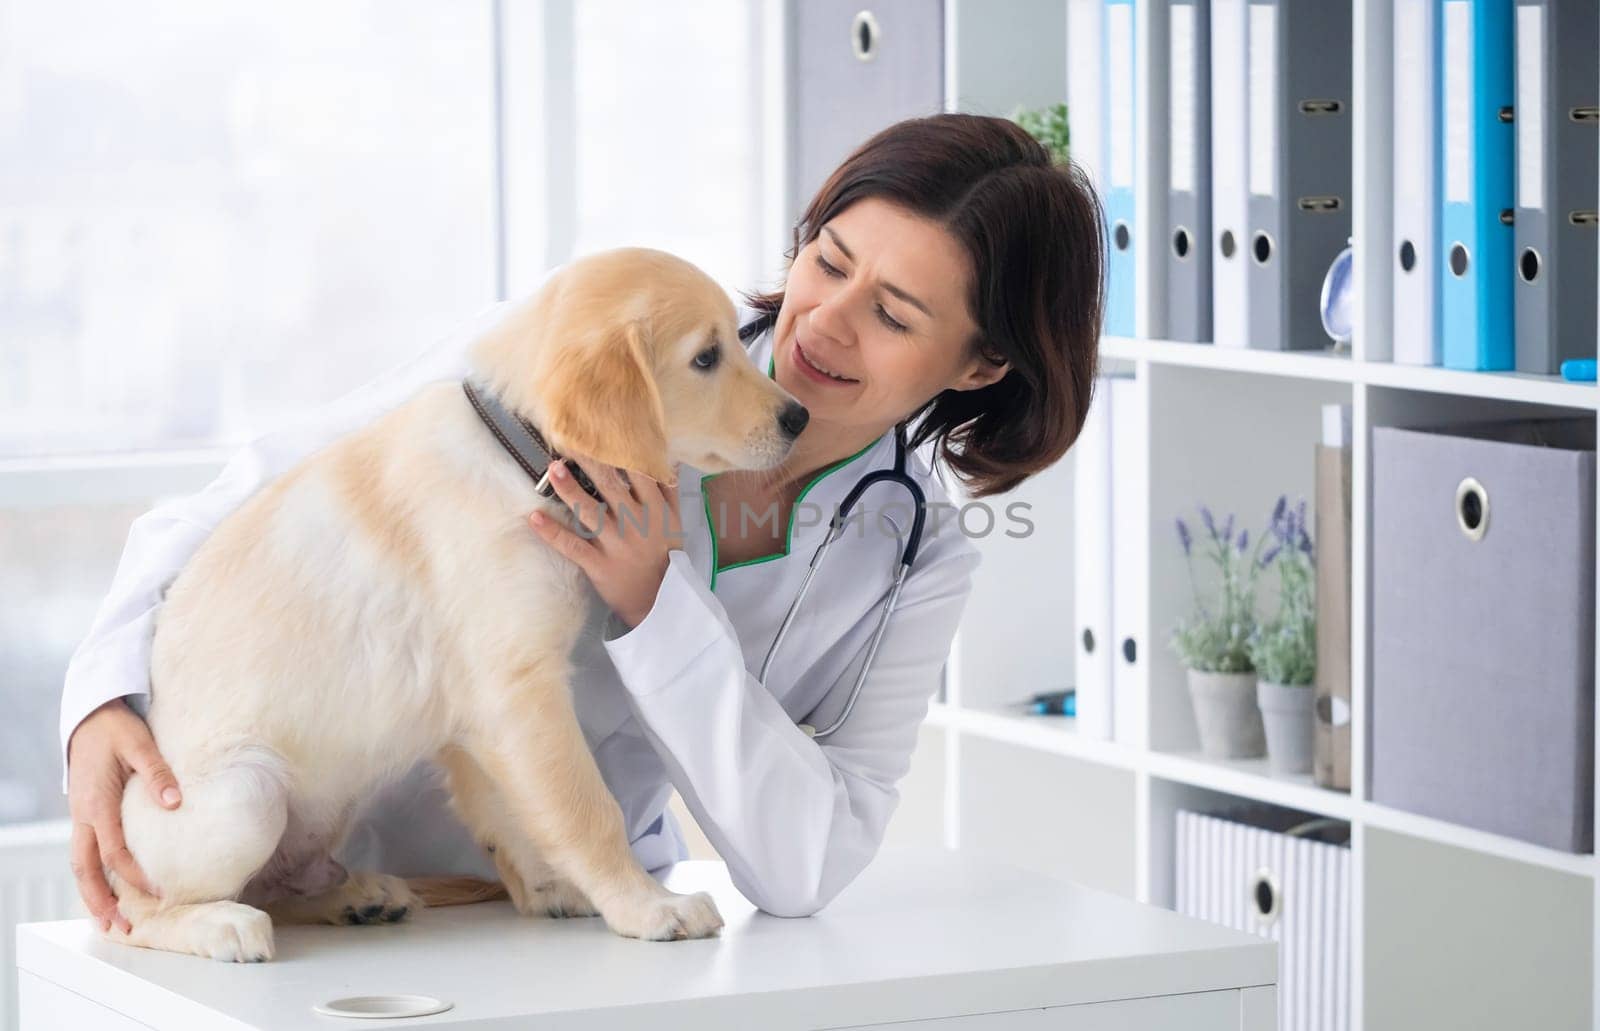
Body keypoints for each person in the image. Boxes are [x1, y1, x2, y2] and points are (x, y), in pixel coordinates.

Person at [59, 112, 1104, 935]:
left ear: (978, 365)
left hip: (586, 917)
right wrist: (100, 697)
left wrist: (657, 603)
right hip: (353, 879)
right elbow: (251, 494)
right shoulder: (583, 353)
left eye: (894, 313)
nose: (823, 320)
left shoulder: (917, 555)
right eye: (828, 261)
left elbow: (805, 865)